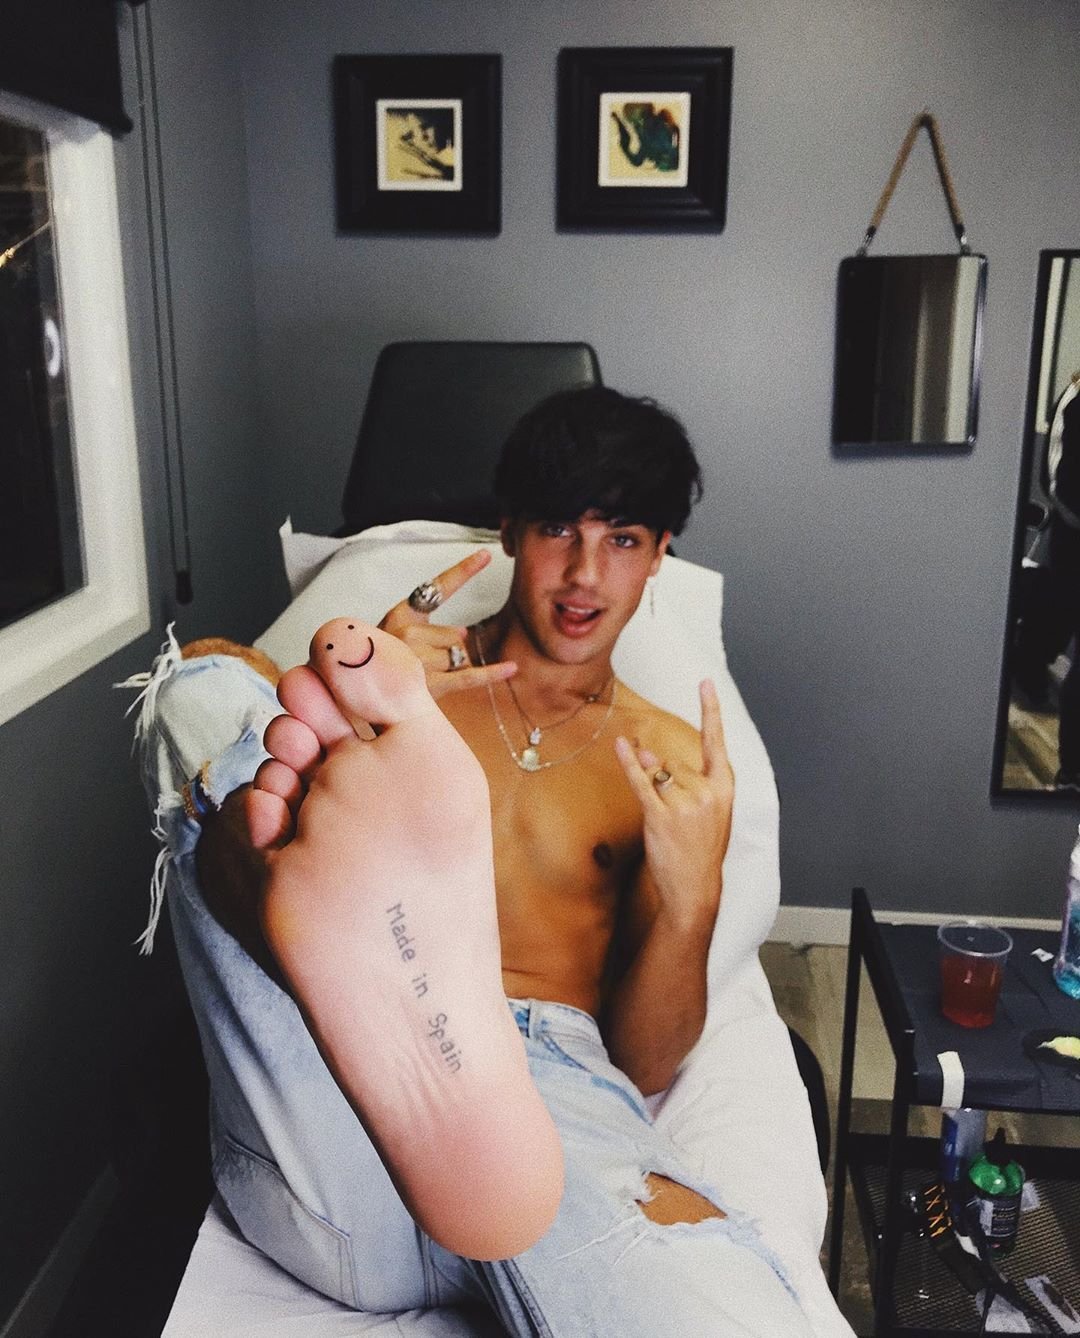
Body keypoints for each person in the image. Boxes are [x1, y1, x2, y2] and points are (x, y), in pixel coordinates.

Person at [158, 386, 820, 1334]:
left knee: (706, 1296)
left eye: (622, 538)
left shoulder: (668, 764)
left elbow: (646, 1062)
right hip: (328, 1110)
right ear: (508, 531)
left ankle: (422, 1042)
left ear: (660, 555)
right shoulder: (402, 684)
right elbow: (235, 707)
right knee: (206, 685)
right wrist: (350, 714)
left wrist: (694, 898)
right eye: (558, 530)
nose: (584, 573)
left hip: (536, 1119)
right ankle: (309, 927)